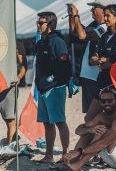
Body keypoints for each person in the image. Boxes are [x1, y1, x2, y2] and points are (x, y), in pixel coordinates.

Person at [63, 86, 116, 170]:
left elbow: (105, 142)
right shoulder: (102, 116)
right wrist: (90, 130)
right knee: (91, 132)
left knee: (102, 132)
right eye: (103, 101)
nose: (106, 103)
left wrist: (79, 152)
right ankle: (72, 161)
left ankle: (79, 164)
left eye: (110, 100)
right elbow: (78, 130)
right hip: (114, 160)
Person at [85, 4, 116, 122]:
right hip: (102, 81)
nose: (105, 18)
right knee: (89, 118)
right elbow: (92, 59)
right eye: (104, 15)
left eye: (108, 16)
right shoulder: (104, 36)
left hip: (115, 84)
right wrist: (103, 60)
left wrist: (103, 60)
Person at [35, 11, 71, 163]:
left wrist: (52, 80)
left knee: (59, 121)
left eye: (41, 23)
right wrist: (40, 83)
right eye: (37, 22)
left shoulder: (57, 42)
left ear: (50, 25)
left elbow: (65, 67)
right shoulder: (41, 42)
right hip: (43, 88)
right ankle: (49, 155)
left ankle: (65, 154)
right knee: (47, 123)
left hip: (55, 88)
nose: (38, 25)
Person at [68, 0, 111, 114]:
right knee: (89, 114)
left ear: (103, 10)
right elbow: (75, 33)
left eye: (94, 8)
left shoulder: (105, 27)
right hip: (87, 76)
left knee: (97, 114)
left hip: (96, 77)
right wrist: (72, 17)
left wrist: (77, 16)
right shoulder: (94, 25)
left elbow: (83, 36)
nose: (91, 10)